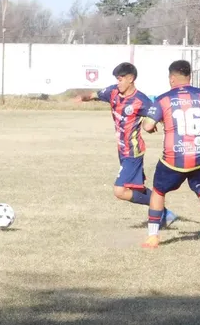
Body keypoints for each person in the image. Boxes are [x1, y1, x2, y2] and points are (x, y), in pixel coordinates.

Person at [140, 60, 200, 250]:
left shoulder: (164, 98)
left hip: (173, 158)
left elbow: (147, 125)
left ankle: (152, 237)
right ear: (190, 77)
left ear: (172, 78)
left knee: (158, 191)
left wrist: (152, 126)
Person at [76, 62, 177, 227]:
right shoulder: (112, 92)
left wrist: (152, 126)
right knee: (135, 188)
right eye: (117, 79)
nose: (118, 82)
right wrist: (83, 97)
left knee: (120, 190)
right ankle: (166, 214)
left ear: (131, 79)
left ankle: (163, 211)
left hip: (133, 152)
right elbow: (95, 94)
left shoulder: (141, 100)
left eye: (121, 79)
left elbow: (158, 118)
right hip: (121, 150)